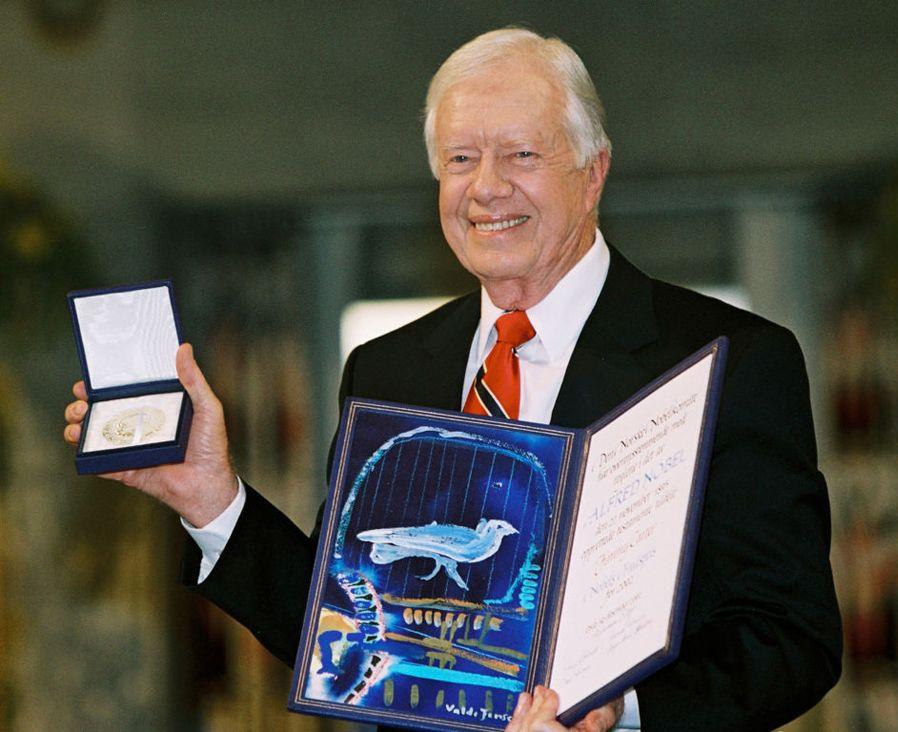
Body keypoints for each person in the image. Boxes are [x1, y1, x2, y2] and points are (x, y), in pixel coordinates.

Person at [64, 28, 841, 732]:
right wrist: (211, 497)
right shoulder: (391, 367)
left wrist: (621, 713)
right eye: (461, 159)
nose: (487, 188)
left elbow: (789, 639)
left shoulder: (728, 359)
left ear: (594, 171)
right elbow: (350, 619)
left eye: (522, 155)